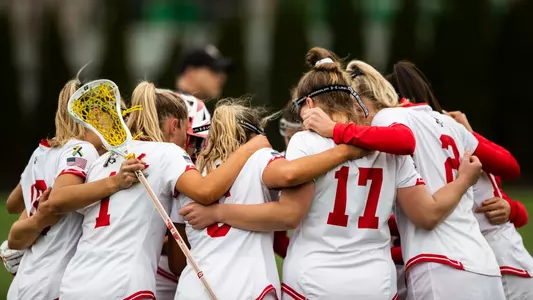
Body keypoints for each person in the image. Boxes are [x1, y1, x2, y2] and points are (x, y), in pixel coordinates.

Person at [178, 47, 483, 300]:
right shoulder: (384, 144)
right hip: (377, 281)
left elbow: (288, 211)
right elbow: (420, 211)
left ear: (308, 103)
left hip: (314, 280)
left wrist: (220, 210)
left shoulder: (306, 140)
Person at [303, 58, 510, 299]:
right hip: (483, 263)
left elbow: (425, 208)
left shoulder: (386, 119)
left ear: (360, 104)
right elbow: (506, 165)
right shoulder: (446, 122)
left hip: (439, 262)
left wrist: (334, 129)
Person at [57, 81, 269, 300]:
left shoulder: (102, 162)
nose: (187, 146)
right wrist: (249, 149)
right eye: (186, 135)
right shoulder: (168, 153)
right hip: (124, 286)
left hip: (75, 282)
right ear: (174, 126)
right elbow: (206, 191)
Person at [169, 97, 373, 299]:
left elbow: (177, 263)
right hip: (248, 288)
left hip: (194, 288)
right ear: (253, 136)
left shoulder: (189, 175)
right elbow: (290, 180)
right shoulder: (261, 157)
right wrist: (345, 151)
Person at [4, 76, 106, 300]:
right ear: (96, 115)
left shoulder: (42, 151)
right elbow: (59, 199)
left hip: (25, 279)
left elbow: (12, 204)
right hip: (55, 281)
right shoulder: (82, 149)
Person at [442, 110, 533, 300]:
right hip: (477, 266)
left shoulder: (448, 138)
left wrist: (511, 209)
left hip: (502, 263)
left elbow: (505, 175)